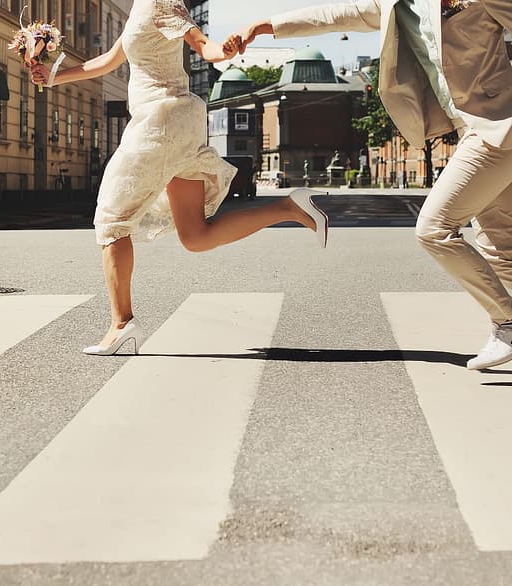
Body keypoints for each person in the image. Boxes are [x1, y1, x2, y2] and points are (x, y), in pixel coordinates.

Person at [31, 0, 328, 356]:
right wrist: (53, 75)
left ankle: (122, 324)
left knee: (111, 220)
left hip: (161, 121)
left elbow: (201, 43)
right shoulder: (140, 9)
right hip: (175, 122)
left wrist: (223, 52)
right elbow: (109, 60)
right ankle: (290, 208)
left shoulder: (160, 2)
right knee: (196, 236)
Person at [238, 0, 512, 370]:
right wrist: (264, 26)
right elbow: (336, 16)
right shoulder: (396, 4)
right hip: (469, 129)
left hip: (497, 127)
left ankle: (507, 323)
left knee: (434, 229)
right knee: (500, 246)